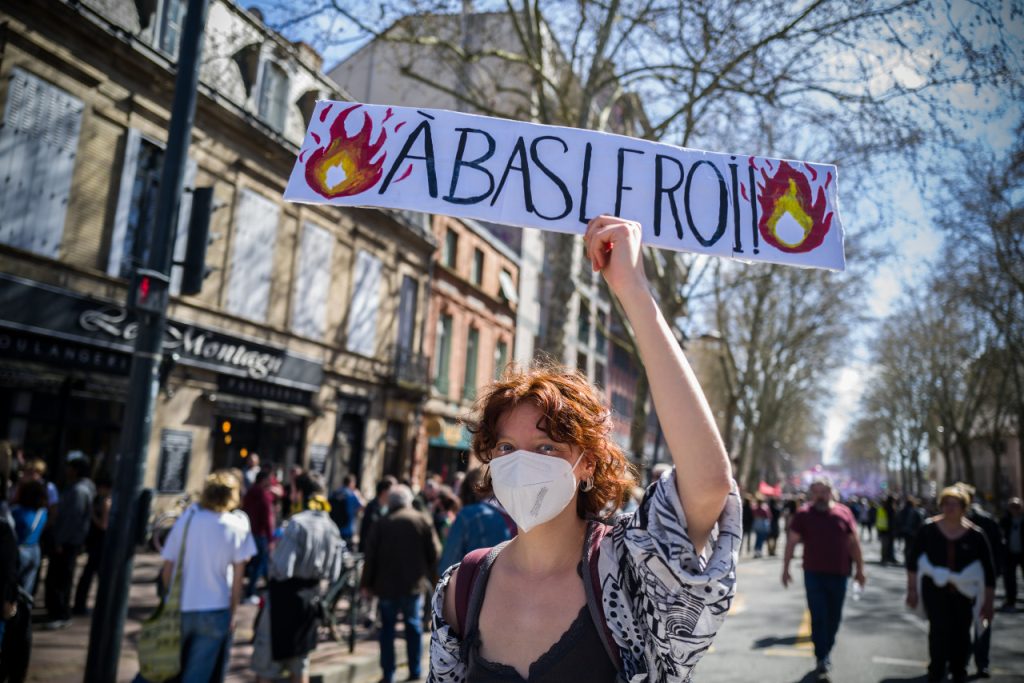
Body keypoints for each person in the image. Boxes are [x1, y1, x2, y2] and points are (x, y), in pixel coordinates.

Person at [428, 216, 738, 682]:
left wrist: (633, 290)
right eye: (507, 446)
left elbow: (710, 484)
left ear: (587, 463)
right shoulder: (463, 586)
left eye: (548, 446)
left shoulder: (630, 569)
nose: (522, 463)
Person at [157, 471, 256, 683]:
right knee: (197, 677)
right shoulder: (237, 526)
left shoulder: (188, 519)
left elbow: (167, 567)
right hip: (215, 607)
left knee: (167, 670)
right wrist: (233, 612)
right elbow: (238, 579)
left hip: (181, 605)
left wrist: (167, 599)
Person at [252, 473, 345, 683]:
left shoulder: (297, 524)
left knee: (267, 666)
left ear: (301, 493)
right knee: (300, 665)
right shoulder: (332, 527)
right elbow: (334, 572)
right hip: (310, 601)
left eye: (293, 490)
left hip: (283, 600)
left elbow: (282, 568)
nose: (290, 495)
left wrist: (274, 553)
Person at [906, 486, 996, 683]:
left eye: (954, 504)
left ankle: (959, 671)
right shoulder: (928, 529)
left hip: (965, 595)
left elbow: (989, 572)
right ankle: (936, 670)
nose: (950, 508)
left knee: (962, 634)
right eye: (946, 504)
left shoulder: (976, 535)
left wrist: (988, 602)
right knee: (937, 631)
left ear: (964, 507)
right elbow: (913, 562)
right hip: (934, 593)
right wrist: (912, 590)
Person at [782, 477, 865, 681]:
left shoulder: (844, 513)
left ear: (831, 492)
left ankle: (826, 648)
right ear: (811, 494)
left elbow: (854, 543)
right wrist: (785, 568)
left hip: (840, 574)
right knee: (818, 615)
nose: (820, 495)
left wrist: (860, 570)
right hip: (813, 574)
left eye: (823, 491)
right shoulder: (803, 515)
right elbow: (791, 542)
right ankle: (822, 655)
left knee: (834, 617)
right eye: (816, 491)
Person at [362, 484, 440, 683]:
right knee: (412, 626)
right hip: (413, 584)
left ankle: (388, 674)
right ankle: (415, 670)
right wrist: (427, 573)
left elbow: (369, 557)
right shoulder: (421, 519)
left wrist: (366, 584)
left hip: (386, 585)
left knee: (387, 628)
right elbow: (435, 553)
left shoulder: (381, 523)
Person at [42, 455, 95, 629]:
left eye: (70, 467)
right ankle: (57, 612)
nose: (66, 470)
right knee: (60, 578)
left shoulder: (79, 491)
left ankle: (60, 614)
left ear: (76, 470)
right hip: (68, 541)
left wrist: (59, 541)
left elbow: (72, 519)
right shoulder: (77, 488)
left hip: (67, 543)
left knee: (60, 579)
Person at [437, 467, 514, 575]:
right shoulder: (517, 517)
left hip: (473, 588)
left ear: (467, 490)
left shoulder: (468, 515)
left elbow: (447, 569)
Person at [961, 491, 1003, 678]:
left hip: (979, 581)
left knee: (980, 621)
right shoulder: (948, 523)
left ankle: (977, 661)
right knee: (964, 624)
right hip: (962, 581)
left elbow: (996, 551)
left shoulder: (983, 524)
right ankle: (970, 661)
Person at [72, 472, 112, 615]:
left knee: (91, 575)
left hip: (100, 544)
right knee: (92, 575)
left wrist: (92, 515)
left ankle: (88, 605)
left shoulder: (106, 502)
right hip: (97, 544)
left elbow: (103, 525)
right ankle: (84, 605)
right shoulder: (101, 500)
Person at [242, 469, 276, 601]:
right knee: (258, 564)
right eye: (270, 479)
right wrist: (270, 539)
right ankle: (250, 593)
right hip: (260, 534)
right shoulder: (263, 495)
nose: (272, 482)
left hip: (249, 532)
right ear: (264, 480)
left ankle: (260, 588)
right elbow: (267, 519)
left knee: (254, 564)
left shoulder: (250, 492)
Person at [11, 479, 47, 594]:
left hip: (20, 552)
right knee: (26, 590)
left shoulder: (16, 512)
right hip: (35, 551)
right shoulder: (43, 512)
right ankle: (24, 611)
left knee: (11, 588)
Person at [358, 476, 396, 555]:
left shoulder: (390, 509)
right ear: (384, 491)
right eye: (391, 491)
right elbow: (366, 530)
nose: (393, 494)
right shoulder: (371, 507)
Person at [999, 496, 1023, 611]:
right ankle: (1010, 600)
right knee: (1009, 579)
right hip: (1010, 553)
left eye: (1017, 507)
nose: (1015, 509)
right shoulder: (1005, 520)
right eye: (1012, 507)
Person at [329, 474, 365, 547]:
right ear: (351, 483)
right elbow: (363, 506)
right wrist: (359, 495)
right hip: (347, 530)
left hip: (334, 528)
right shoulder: (352, 495)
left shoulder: (335, 493)